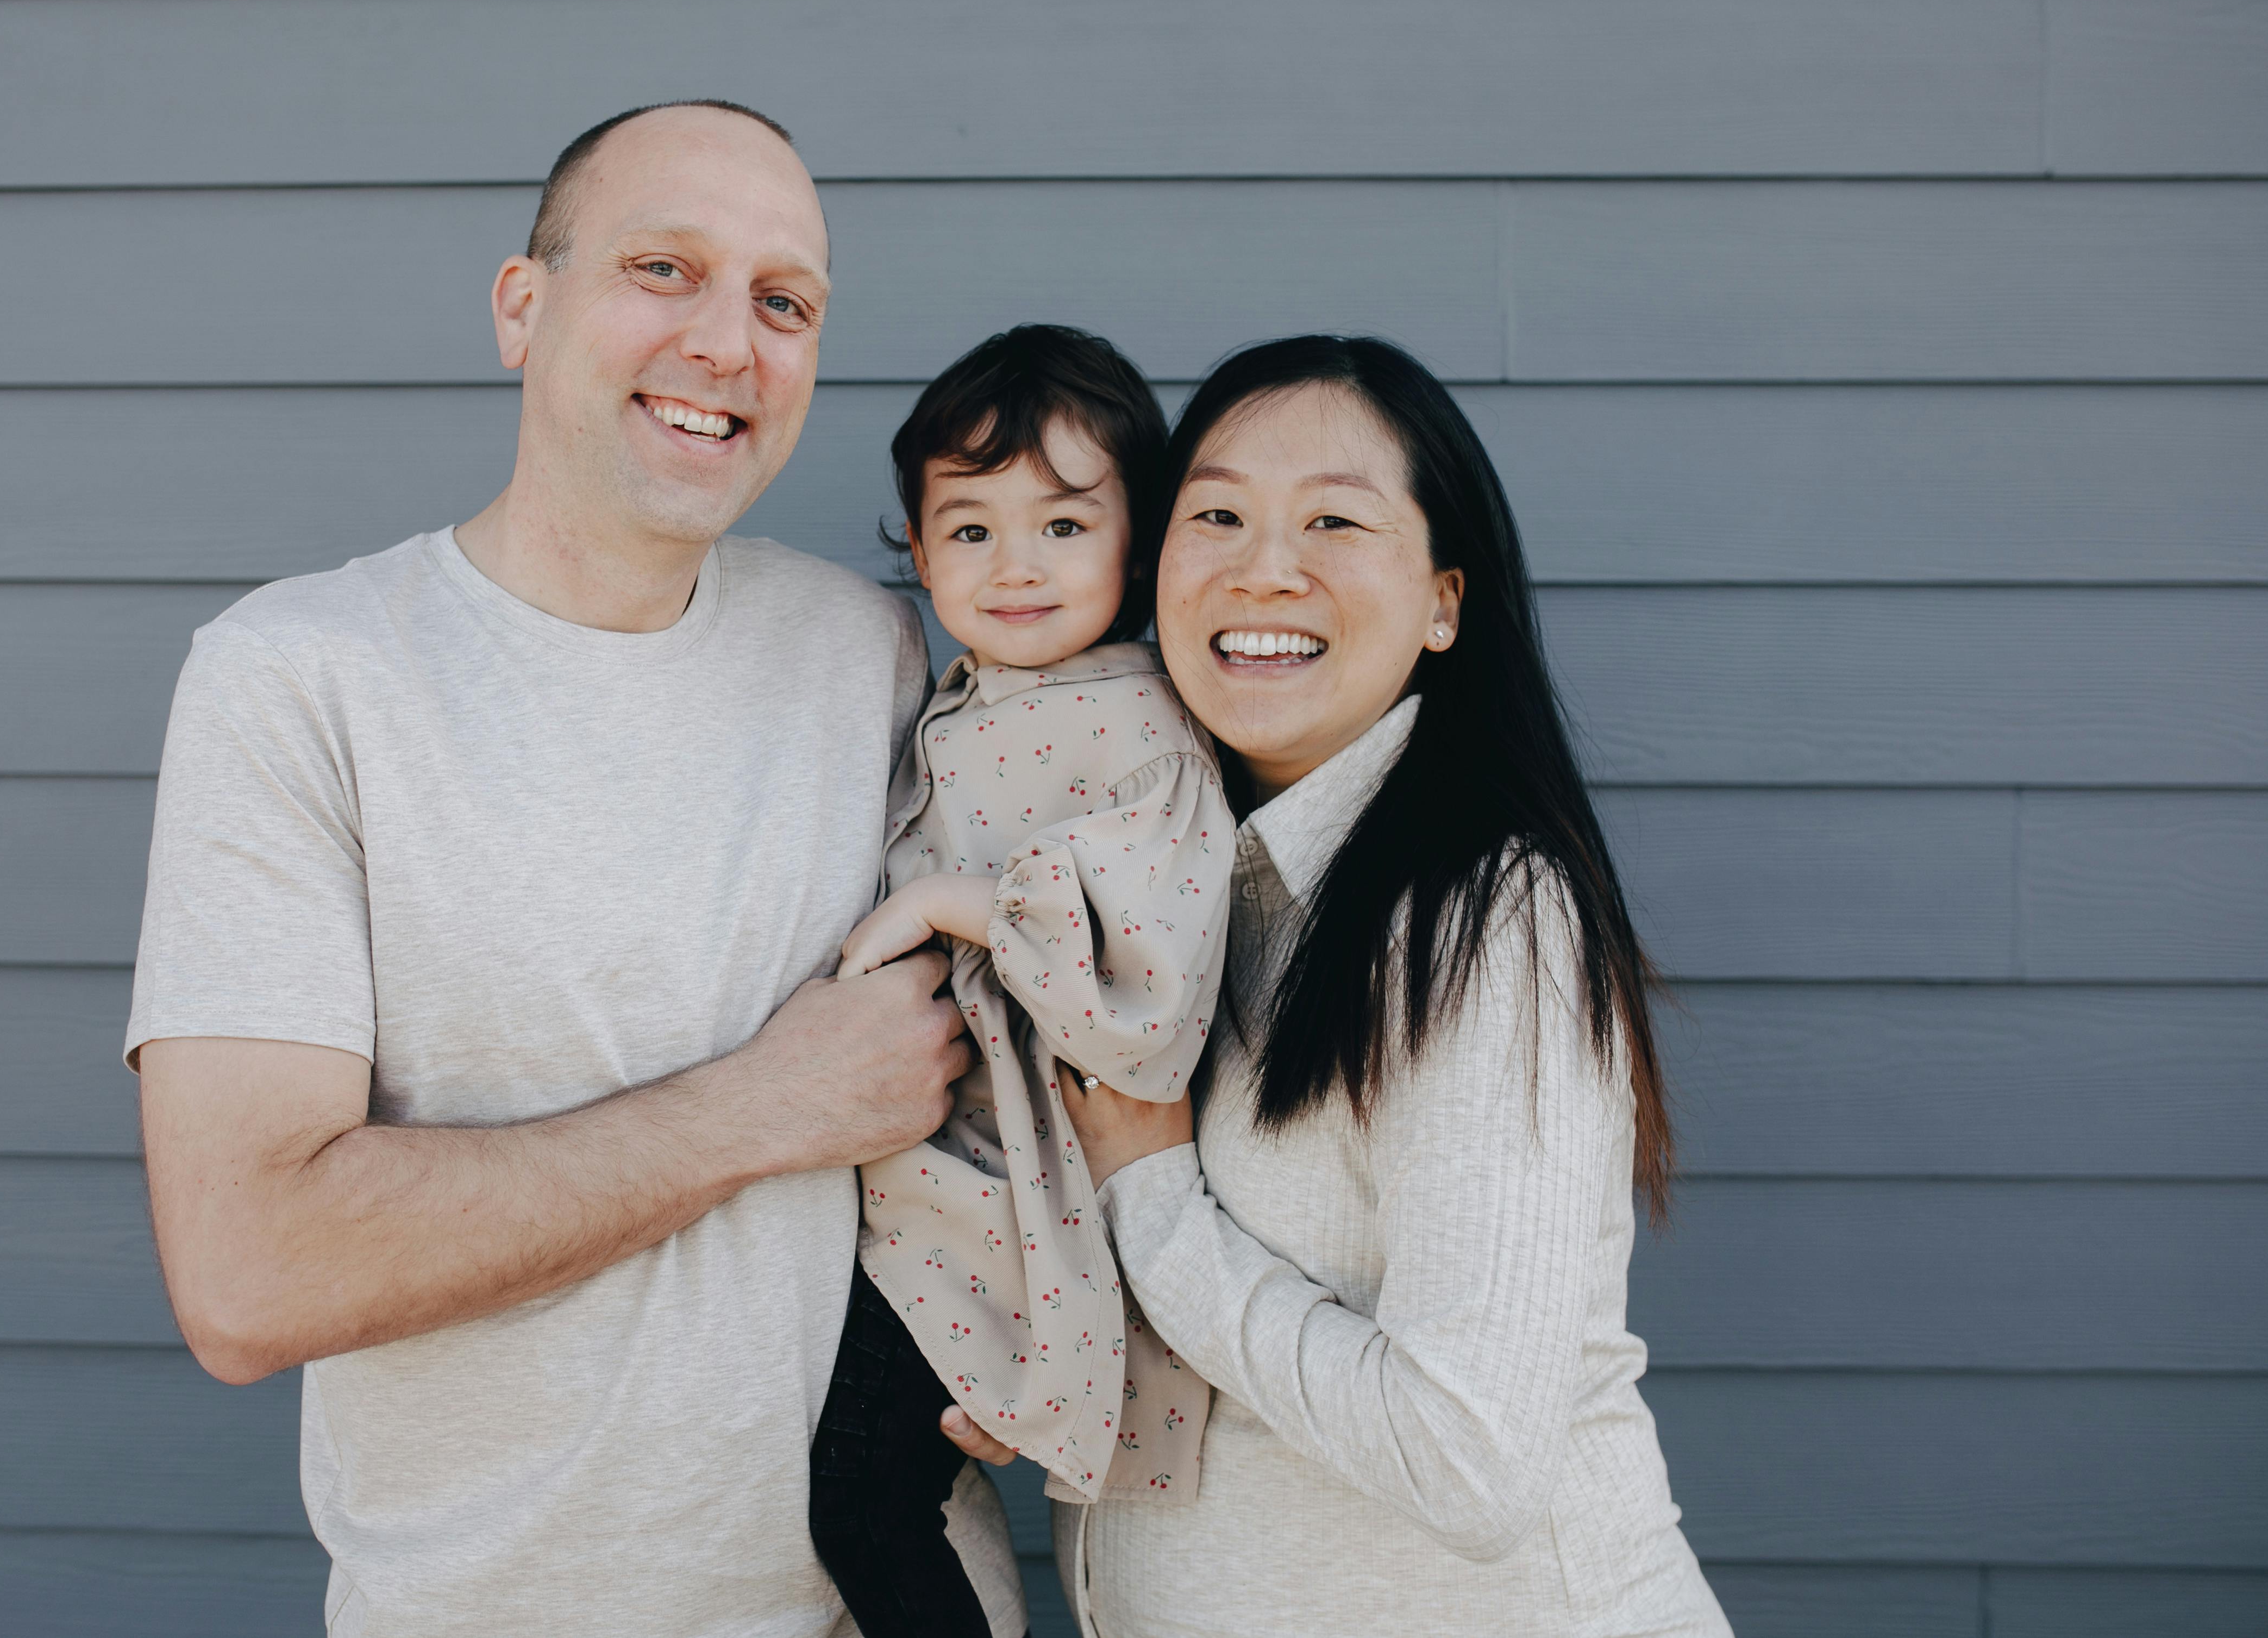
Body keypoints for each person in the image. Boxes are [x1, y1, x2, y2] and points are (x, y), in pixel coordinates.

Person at [124, 101, 1025, 1637]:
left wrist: (1041, 1308)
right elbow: (250, 1270)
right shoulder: (301, 678)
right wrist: (768, 1105)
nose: (728, 342)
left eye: (783, 301)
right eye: (663, 268)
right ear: (521, 308)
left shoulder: (861, 647)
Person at [951, 334, 1730, 1635]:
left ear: (1442, 601)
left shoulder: (1485, 922)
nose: (1265, 565)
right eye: (1217, 514)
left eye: (1333, 519)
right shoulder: (1181, 894)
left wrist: (1153, 1202)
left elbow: (1467, 1460)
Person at [807, 326, 1229, 1638]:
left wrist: (945, 903)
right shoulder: (967, 693)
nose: (1016, 566)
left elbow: (1153, 973)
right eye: (971, 531)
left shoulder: (1144, 725)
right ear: (921, 555)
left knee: (860, 1498)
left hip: (1009, 1188)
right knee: (849, 1473)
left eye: (1060, 525)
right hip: (925, 1156)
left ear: (1139, 546)